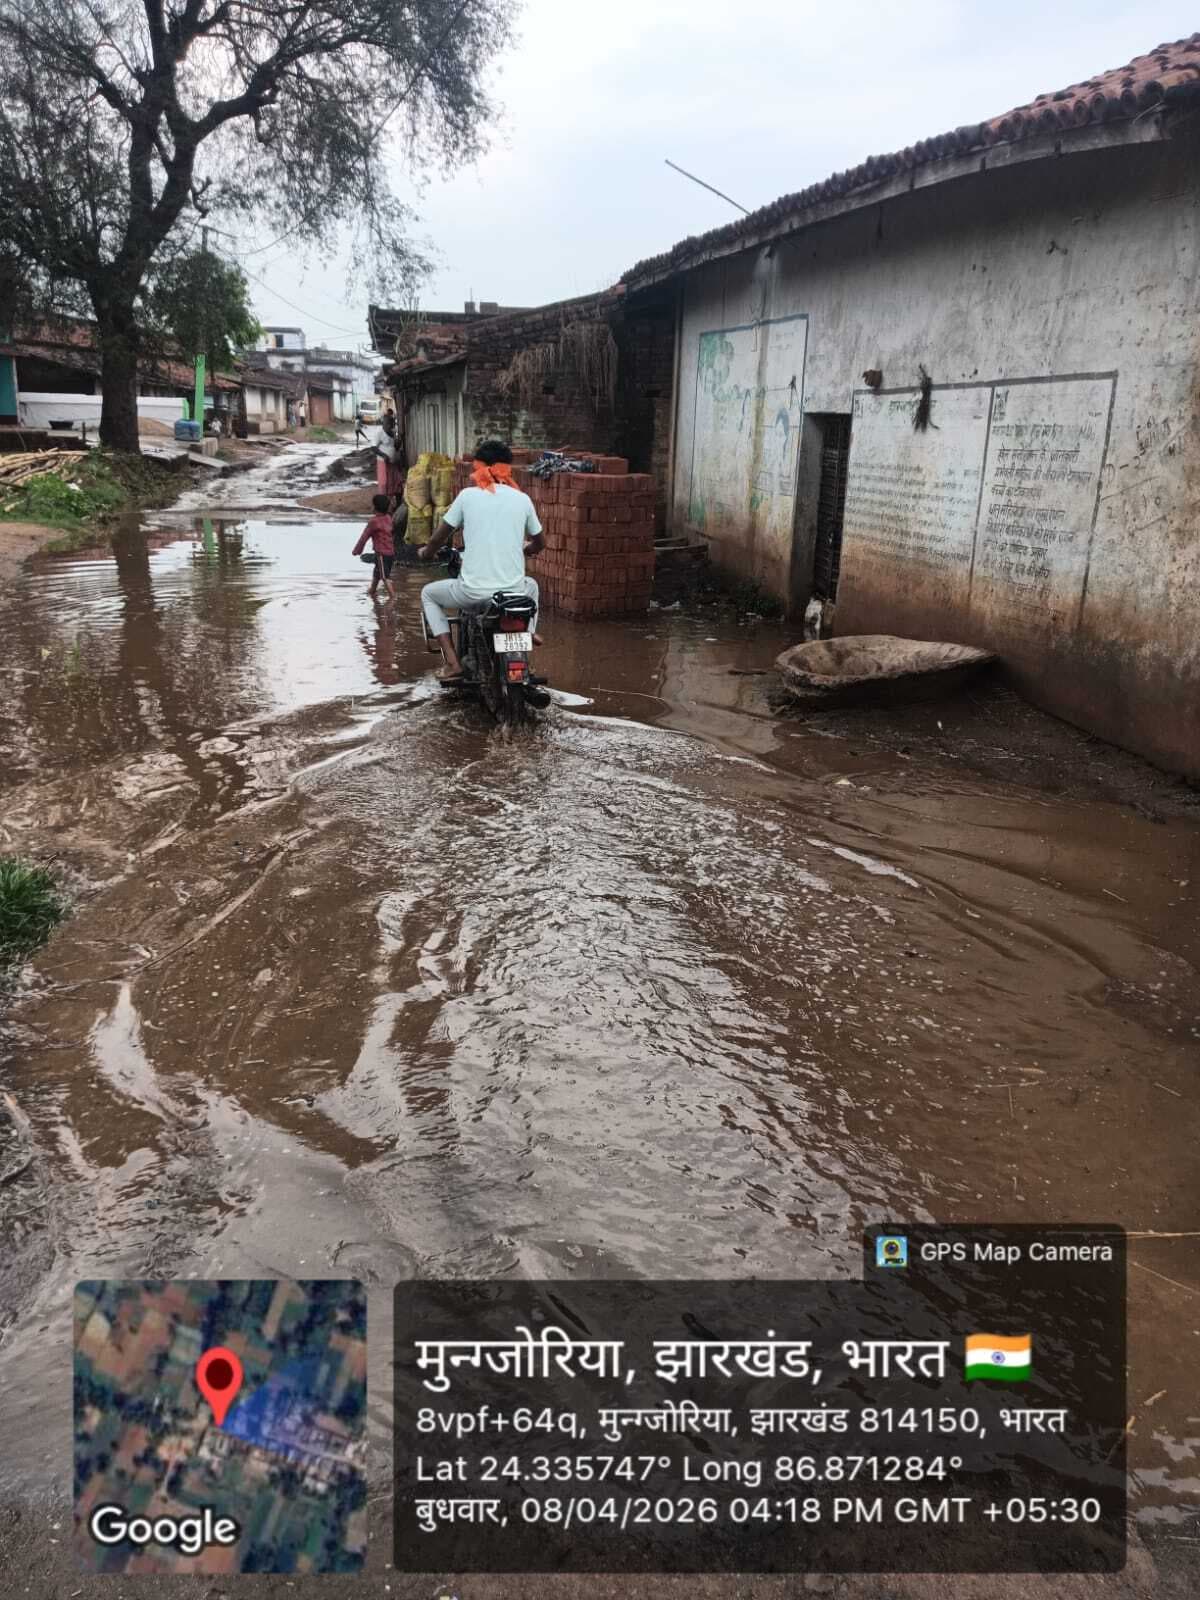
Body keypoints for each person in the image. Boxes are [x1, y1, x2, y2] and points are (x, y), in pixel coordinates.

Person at [418, 440, 544, 683]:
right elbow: (540, 543)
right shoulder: (522, 499)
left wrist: (427, 553)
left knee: (428, 594)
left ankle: (453, 664)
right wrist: (526, 550)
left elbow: (438, 537)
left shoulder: (467, 497)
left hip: (473, 593)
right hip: (513, 593)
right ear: (507, 468)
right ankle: (528, 633)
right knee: (532, 586)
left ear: (480, 467)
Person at [352, 493, 397, 603]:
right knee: (377, 573)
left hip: (382, 554)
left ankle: (393, 597)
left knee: (384, 576)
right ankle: (372, 591)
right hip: (390, 553)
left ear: (375, 507)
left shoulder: (374, 522)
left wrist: (357, 550)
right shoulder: (388, 518)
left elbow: (364, 537)